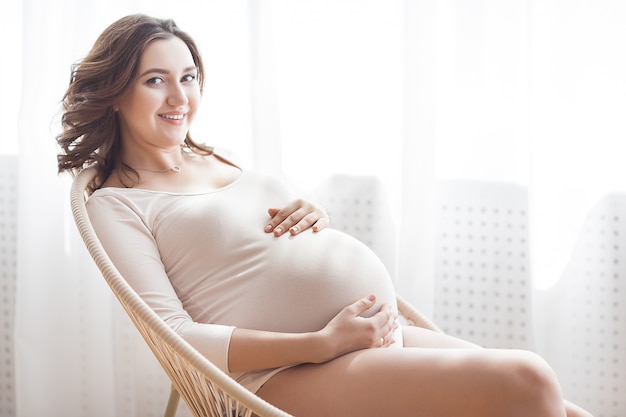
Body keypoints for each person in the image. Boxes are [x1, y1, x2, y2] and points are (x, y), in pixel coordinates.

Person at [57, 14, 593, 417]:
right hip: (283, 373)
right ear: (114, 93)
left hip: (369, 337)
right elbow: (174, 336)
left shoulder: (211, 158)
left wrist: (314, 215)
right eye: (156, 80)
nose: (180, 96)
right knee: (530, 378)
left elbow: (251, 248)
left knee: (559, 406)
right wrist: (321, 343)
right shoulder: (116, 203)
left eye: (189, 76)